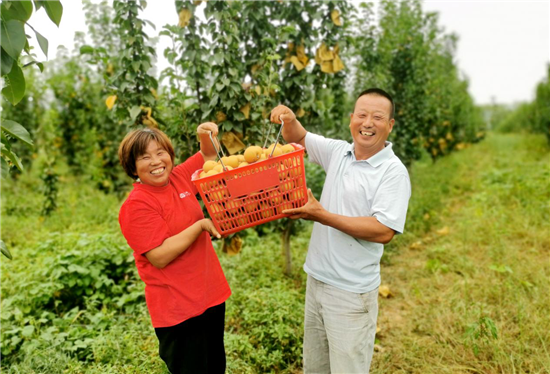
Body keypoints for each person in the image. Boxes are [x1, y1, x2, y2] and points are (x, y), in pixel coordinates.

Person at [270, 88, 411, 373]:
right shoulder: (339, 152)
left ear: (390, 125)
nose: (367, 123)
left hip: (351, 292)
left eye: (377, 117)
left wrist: (322, 216)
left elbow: (383, 230)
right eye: (361, 115)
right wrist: (289, 118)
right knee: (316, 368)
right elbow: (297, 137)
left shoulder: (393, 172)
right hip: (317, 280)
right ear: (351, 119)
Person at [117, 124, 231, 374]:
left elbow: (210, 155)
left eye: (160, 152)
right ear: (132, 167)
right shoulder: (137, 205)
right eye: (144, 157)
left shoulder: (179, 178)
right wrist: (200, 225)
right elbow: (159, 256)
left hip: (209, 296)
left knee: (215, 368)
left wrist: (204, 134)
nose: (156, 161)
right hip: (178, 310)